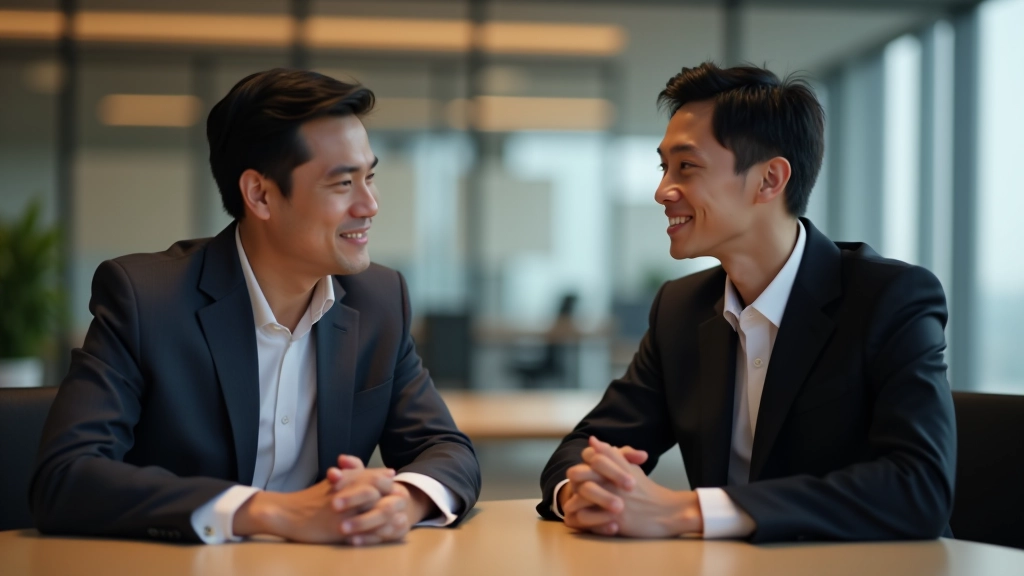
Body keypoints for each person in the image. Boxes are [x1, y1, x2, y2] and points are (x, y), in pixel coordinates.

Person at [31, 69, 480, 545]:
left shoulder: (380, 300)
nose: (369, 204)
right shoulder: (146, 299)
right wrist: (273, 512)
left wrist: (400, 503)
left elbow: (446, 449)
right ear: (260, 195)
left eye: (369, 177)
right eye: (342, 184)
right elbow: (66, 477)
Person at [537, 62, 956, 542]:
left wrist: (687, 511)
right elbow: (584, 448)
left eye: (686, 167)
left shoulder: (889, 300)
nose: (661, 191)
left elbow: (919, 489)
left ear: (770, 180)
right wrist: (585, 493)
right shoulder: (681, 308)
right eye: (663, 167)